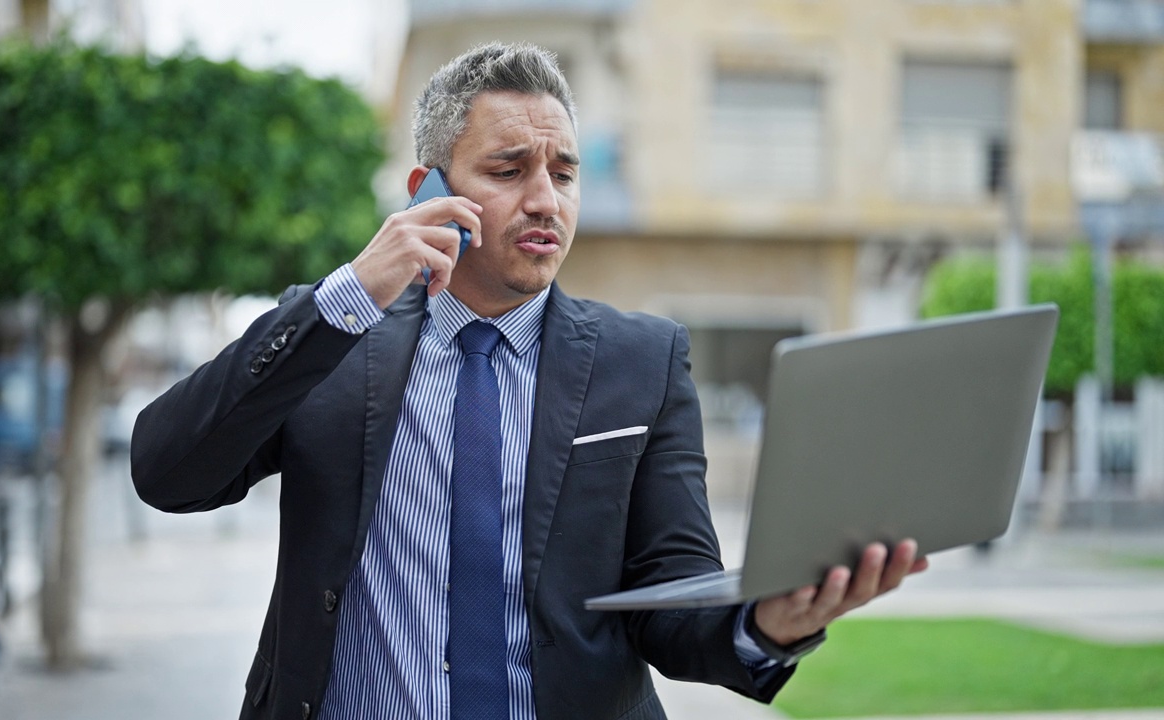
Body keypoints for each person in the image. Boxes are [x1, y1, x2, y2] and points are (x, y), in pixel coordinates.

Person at [131, 42, 928, 720]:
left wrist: (767, 624)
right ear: (428, 194)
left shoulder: (643, 360)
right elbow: (168, 472)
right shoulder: (337, 341)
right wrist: (350, 294)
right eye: (509, 169)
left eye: (564, 172)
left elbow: (670, 595)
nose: (545, 199)